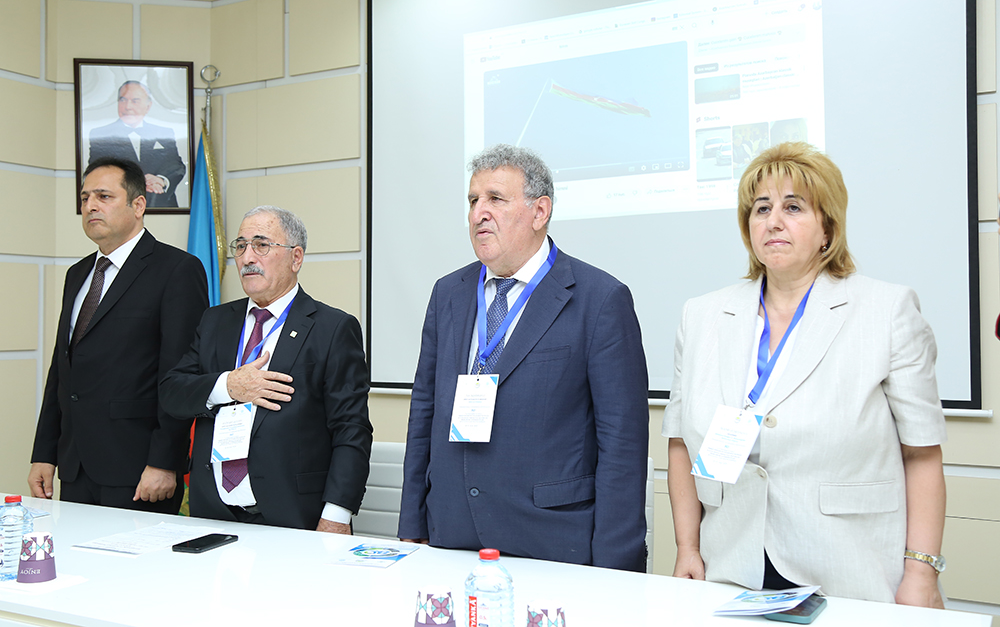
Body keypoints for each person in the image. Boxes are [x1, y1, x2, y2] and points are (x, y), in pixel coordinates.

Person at [663, 142, 947, 606]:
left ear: (827, 229)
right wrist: (688, 547)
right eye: (761, 208)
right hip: (731, 568)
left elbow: (922, 453)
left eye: (793, 207)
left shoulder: (886, 310)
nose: (773, 221)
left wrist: (921, 572)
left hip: (851, 571)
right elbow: (680, 442)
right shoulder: (702, 316)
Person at [398, 144, 649, 572]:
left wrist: (615, 564)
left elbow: (622, 443)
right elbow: (424, 410)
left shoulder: (600, 299)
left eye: (495, 199)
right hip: (451, 533)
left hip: (553, 540)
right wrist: (412, 521)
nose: (479, 213)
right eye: (473, 200)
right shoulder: (448, 293)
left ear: (540, 211)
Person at [160, 206, 372, 532]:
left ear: (296, 258)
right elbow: (172, 393)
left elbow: (351, 430)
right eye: (241, 246)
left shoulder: (332, 328)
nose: (247, 258)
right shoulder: (215, 321)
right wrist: (228, 386)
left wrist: (337, 515)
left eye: (261, 245)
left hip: (294, 516)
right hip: (213, 513)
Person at [29, 157, 209, 514]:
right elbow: (62, 371)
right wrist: (44, 453)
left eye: (104, 196)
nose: (91, 206)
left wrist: (165, 461)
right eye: (85, 198)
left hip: (139, 470)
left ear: (138, 205)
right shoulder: (78, 274)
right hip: (76, 465)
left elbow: (181, 375)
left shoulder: (176, 270)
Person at [88, 81, 187, 208]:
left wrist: (161, 180)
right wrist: (139, 183)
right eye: (123, 100)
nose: (128, 106)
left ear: (148, 106)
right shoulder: (100, 135)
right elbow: (97, 173)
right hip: (120, 209)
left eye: (135, 101)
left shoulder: (164, 133)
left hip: (161, 208)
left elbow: (176, 165)